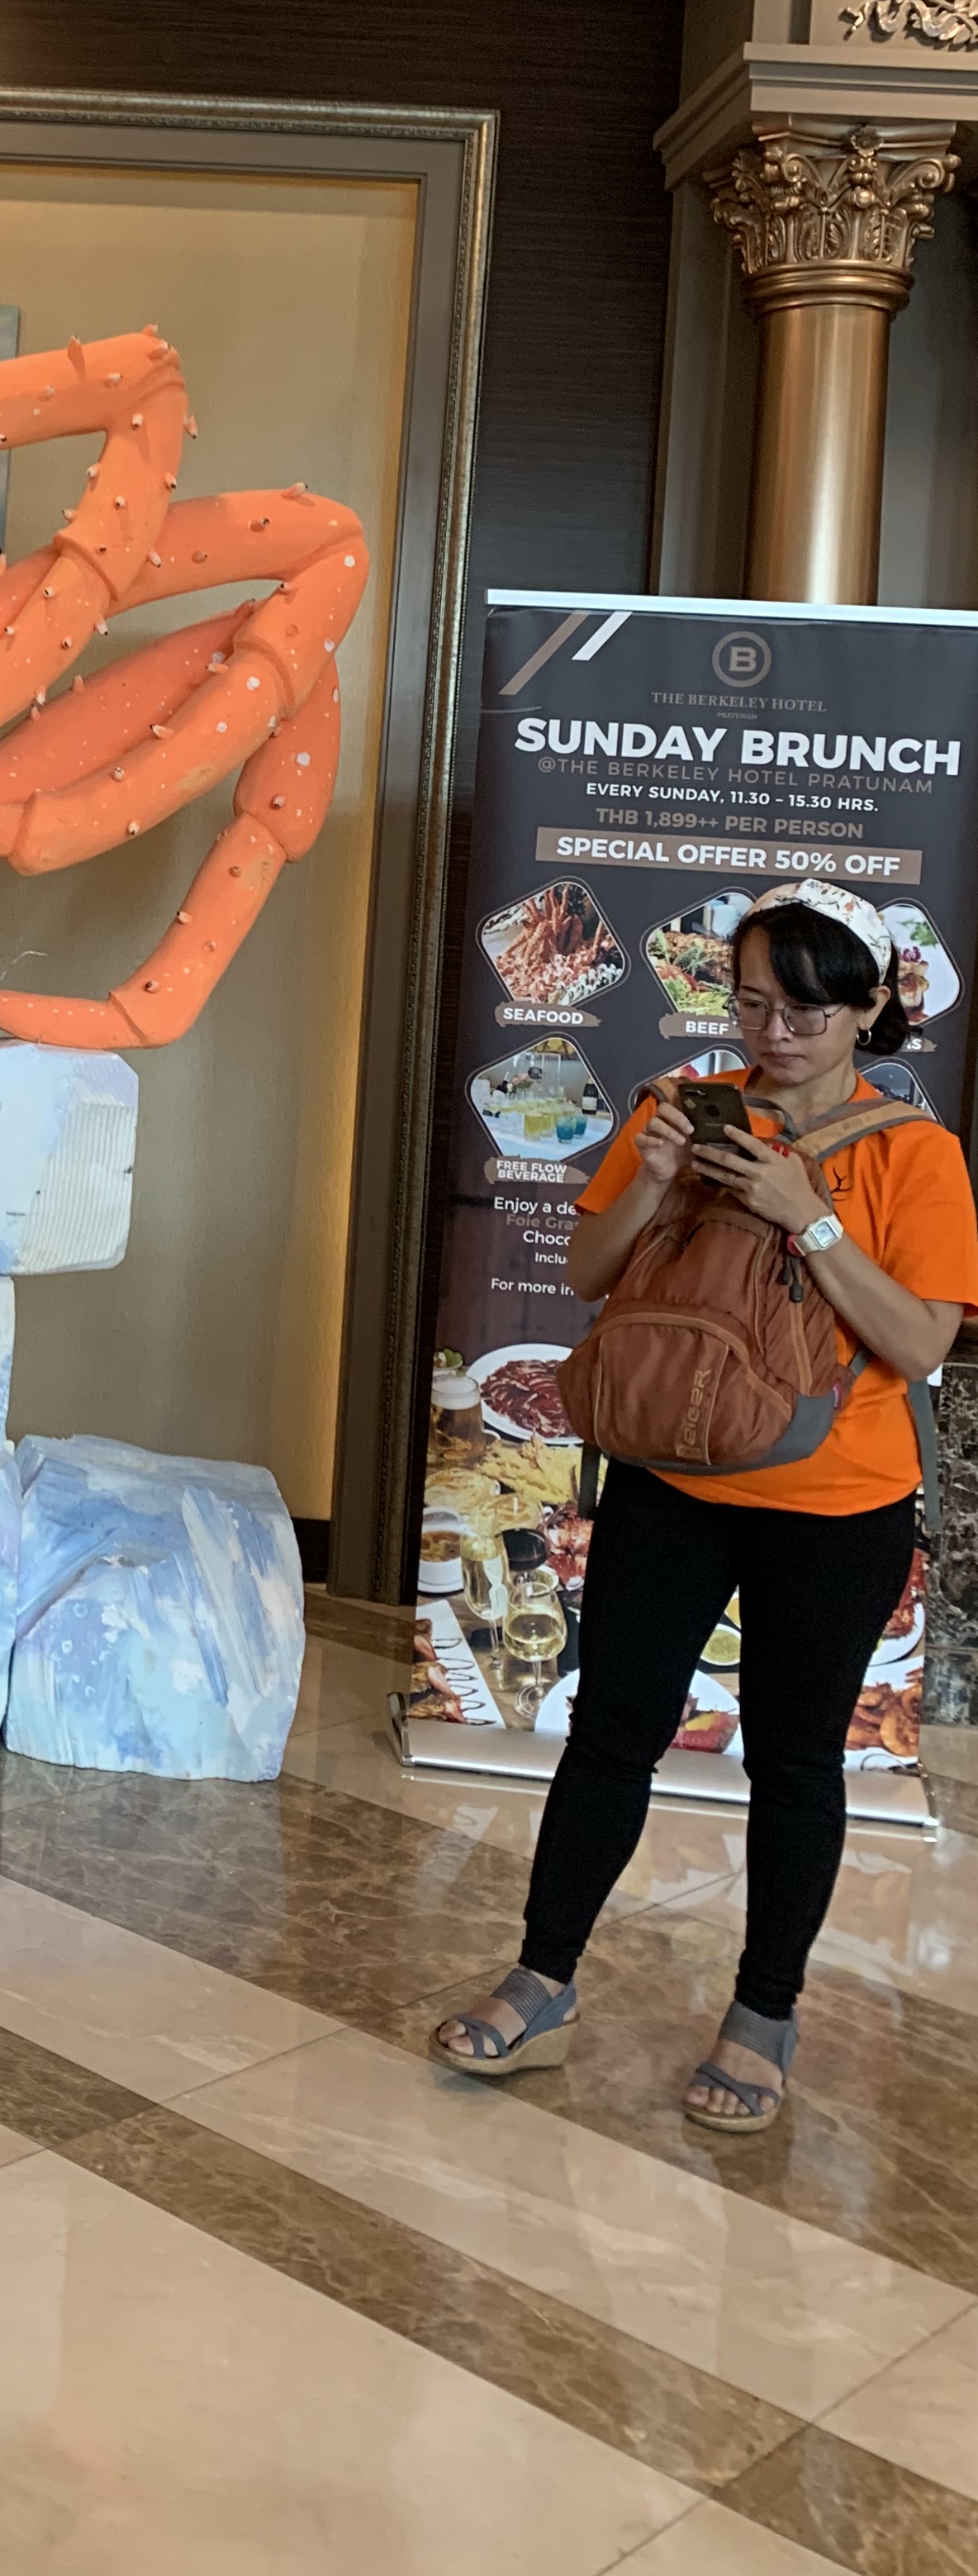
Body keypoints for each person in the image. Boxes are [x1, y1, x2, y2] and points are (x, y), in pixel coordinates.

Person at [432, 880, 978, 2130]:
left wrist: (810, 1219)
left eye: (805, 1009)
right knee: (611, 1735)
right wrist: (654, 1179)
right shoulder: (677, 1110)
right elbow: (590, 1271)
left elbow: (920, 1343)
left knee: (795, 1762)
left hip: (837, 1503)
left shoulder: (916, 1156)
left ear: (870, 1009)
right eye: (751, 1003)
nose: (773, 1032)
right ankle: (544, 1979)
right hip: (669, 1479)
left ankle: (764, 2013)